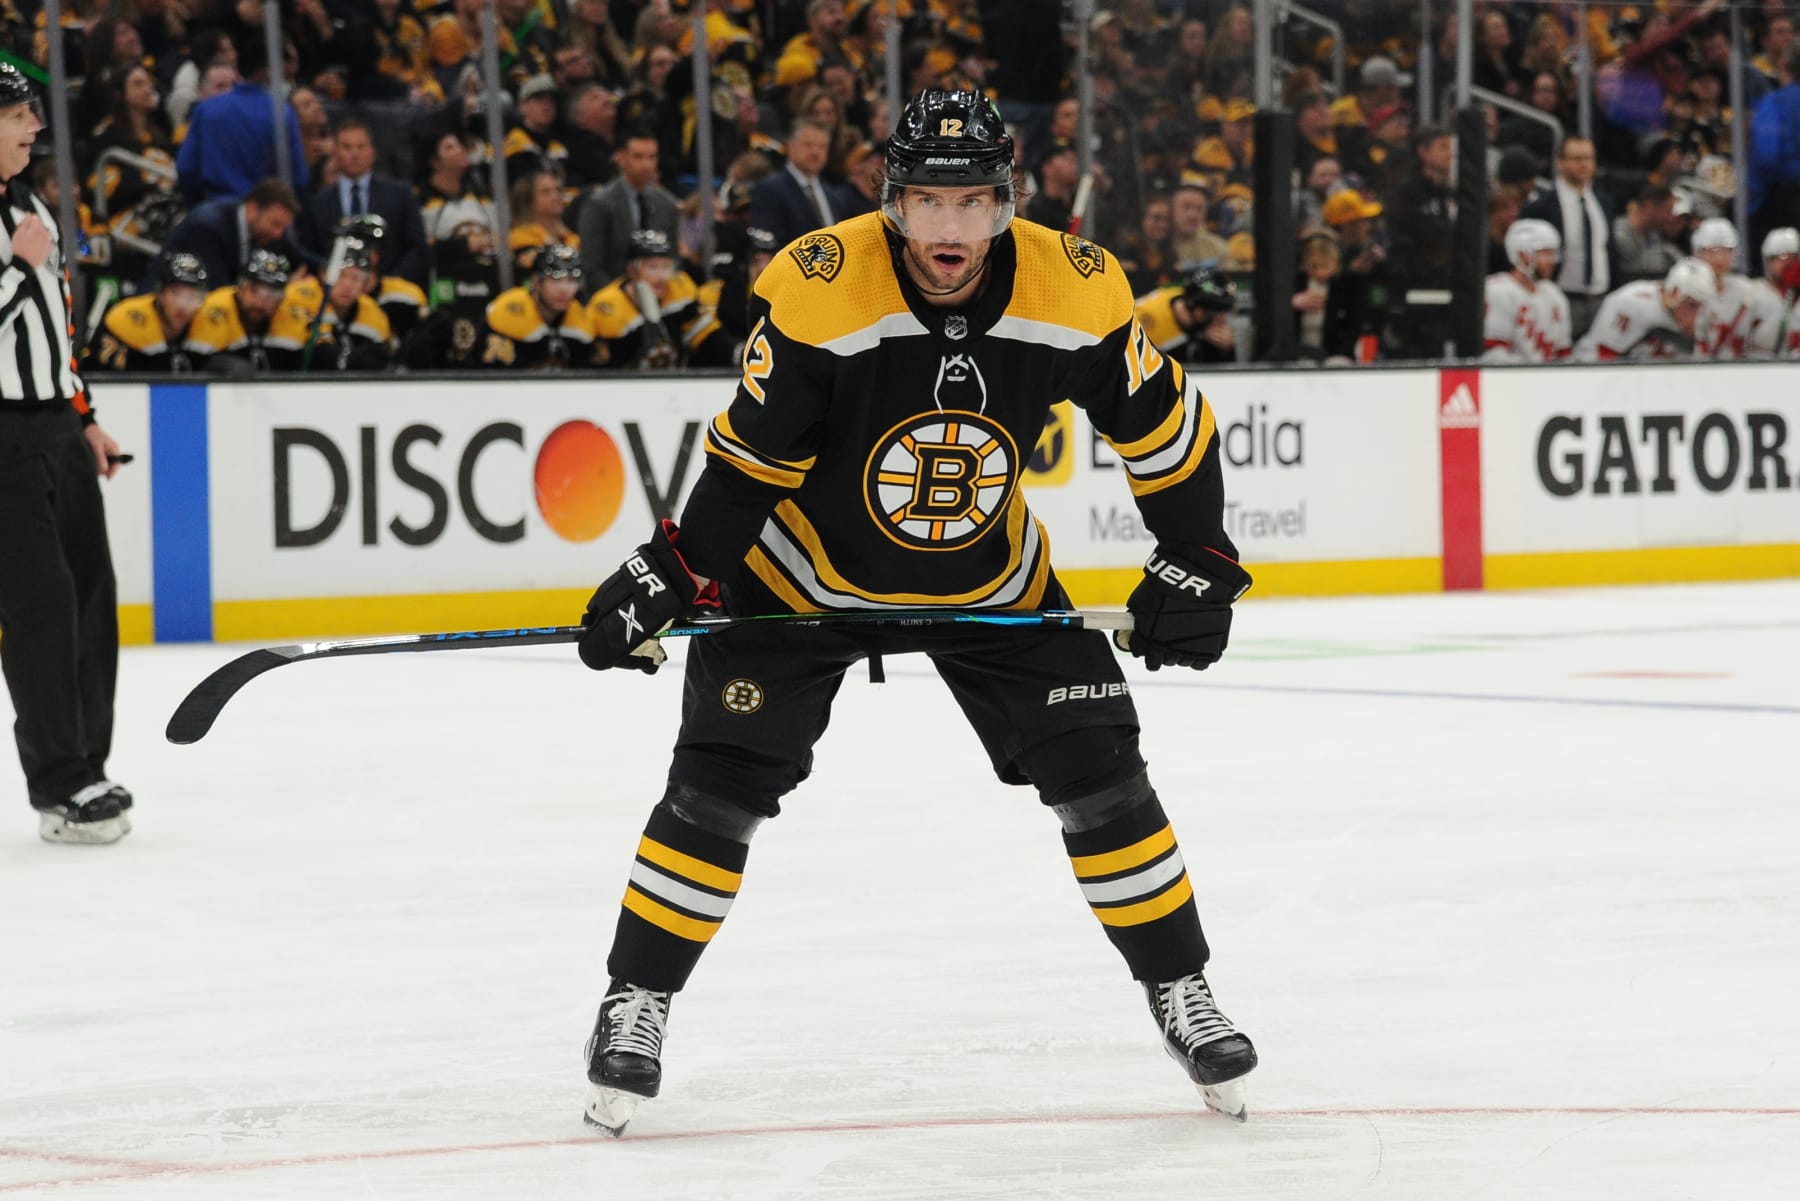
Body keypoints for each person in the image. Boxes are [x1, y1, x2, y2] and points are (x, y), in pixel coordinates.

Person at [570, 88, 1258, 1138]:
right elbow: (749, 469)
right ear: (892, 201)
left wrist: (1199, 556)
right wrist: (672, 570)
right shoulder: (819, 285)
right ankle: (637, 999)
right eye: (929, 201)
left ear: (1005, 203)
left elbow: (1166, 430)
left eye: (973, 202)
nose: (950, 227)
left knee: (1102, 775)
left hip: (990, 582)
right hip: (802, 580)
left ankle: (1183, 988)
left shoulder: (1074, 286)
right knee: (717, 789)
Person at [0, 63, 132, 844]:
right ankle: (60, 784)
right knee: (41, 608)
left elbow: (58, 328)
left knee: (89, 599)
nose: (35, 127)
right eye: (19, 114)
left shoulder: (30, 204)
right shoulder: (22, 231)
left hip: (57, 429)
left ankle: (89, 765)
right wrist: (18, 266)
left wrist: (86, 418)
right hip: (2, 440)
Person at [298, 119, 430, 288]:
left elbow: (417, 248)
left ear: (372, 151)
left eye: (361, 147)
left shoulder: (400, 195)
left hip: (391, 290)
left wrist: (386, 282)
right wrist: (336, 280)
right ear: (335, 152)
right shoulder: (317, 204)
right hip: (333, 291)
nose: (354, 154)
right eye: (347, 147)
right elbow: (310, 252)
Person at [587, 228, 731, 369]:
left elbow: (706, 336)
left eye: (666, 267)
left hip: (675, 381)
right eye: (653, 267)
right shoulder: (608, 305)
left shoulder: (679, 287)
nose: (662, 277)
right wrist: (647, 325)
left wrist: (737, 353)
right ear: (632, 271)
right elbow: (611, 369)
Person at [1520, 136, 1612, 339]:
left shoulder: (1603, 203)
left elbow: (1608, 250)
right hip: (1561, 296)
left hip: (1600, 299)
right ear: (1560, 163)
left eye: (1588, 158)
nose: (1584, 164)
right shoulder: (1541, 207)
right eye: (1577, 158)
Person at [157, 178, 308, 298]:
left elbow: (300, 258)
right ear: (253, 209)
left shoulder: (265, 232)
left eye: (283, 228)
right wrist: (281, 291)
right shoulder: (208, 229)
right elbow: (217, 292)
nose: (278, 234)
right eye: (275, 224)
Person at [577, 127, 681, 287]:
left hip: (661, 292)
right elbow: (591, 267)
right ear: (621, 158)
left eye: (652, 157)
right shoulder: (599, 205)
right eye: (638, 157)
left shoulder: (667, 203)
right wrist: (622, 296)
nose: (646, 165)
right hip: (612, 293)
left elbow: (674, 258)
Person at [479, 243, 600, 371]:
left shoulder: (581, 321)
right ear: (536, 281)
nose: (564, 289)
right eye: (555, 279)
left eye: (571, 280)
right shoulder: (506, 313)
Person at [84, 252, 209, 374]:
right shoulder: (125, 320)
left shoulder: (207, 324)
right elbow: (99, 376)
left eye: (193, 296)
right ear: (160, 293)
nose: (182, 305)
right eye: (175, 293)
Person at [183, 250, 304, 375]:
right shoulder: (214, 310)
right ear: (240, 286)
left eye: (271, 295)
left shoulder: (292, 315)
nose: (259, 302)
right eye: (254, 290)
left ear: (282, 298)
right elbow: (195, 370)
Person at [1574, 258, 1716, 361]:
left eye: (1701, 306)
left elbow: (1701, 362)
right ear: (1673, 293)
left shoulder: (1703, 312)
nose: (1697, 315)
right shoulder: (1631, 304)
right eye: (1692, 305)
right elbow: (1602, 357)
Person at [1481, 218, 1572, 363]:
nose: (1552, 260)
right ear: (1522, 255)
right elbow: (1494, 354)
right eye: (1545, 253)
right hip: (1513, 375)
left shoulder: (1554, 294)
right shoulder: (1498, 291)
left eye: (1553, 253)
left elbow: (1563, 353)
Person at [1136, 264, 1238, 364]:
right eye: (1220, 313)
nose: (1223, 319)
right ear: (1199, 312)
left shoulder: (1197, 318)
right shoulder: (1148, 322)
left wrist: (1226, 350)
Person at [1690, 218, 1756, 360]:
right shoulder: (1688, 290)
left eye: (1726, 251)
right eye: (1711, 252)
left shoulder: (1746, 290)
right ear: (1698, 253)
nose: (1719, 259)